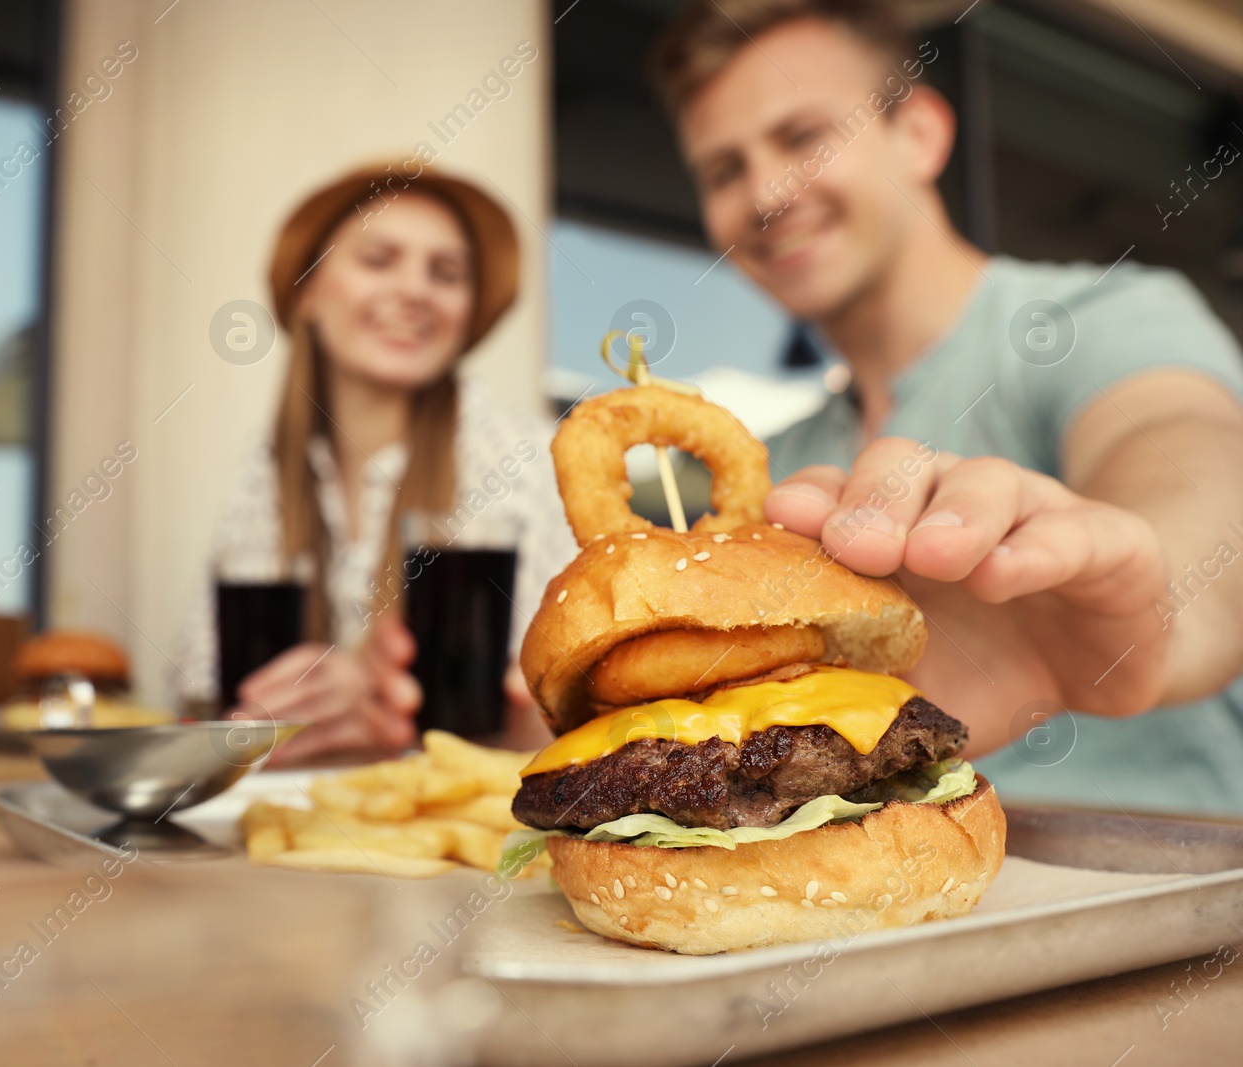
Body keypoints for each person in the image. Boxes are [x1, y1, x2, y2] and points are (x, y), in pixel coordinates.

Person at [651, 0, 1243, 813]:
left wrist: (1150, 608)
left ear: (920, 134)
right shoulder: (777, 468)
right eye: (723, 170)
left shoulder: (1103, 318)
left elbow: (1195, 468)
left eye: (801, 137)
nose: (765, 190)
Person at [173, 163, 574, 765]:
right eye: (379, 259)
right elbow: (196, 686)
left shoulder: (528, 459)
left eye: (446, 273)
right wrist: (263, 721)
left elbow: (566, 717)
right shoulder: (270, 466)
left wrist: (385, 709)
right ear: (307, 291)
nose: (415, 291)